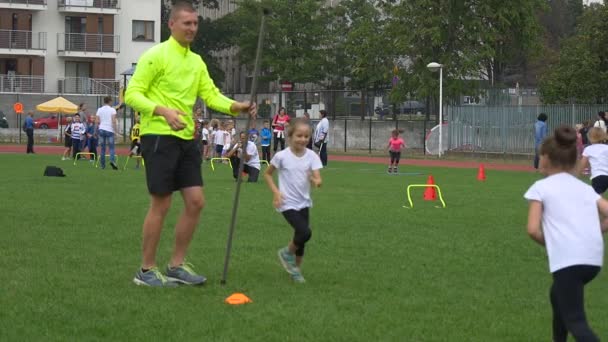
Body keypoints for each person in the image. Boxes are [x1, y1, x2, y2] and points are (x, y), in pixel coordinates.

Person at [124, 1, 256, 287]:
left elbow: (211, 96)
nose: (192, 28)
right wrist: (163, 111)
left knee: (196, 202)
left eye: (195, 24)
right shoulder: (155, 55)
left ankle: (176, 266)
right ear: (171, 24)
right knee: (162, 203)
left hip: (187, 140)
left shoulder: (196, 62)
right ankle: (146, 271)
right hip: (158, 137)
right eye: (187, 23)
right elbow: (132, 94)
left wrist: (238, 106)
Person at [524, 125, 608, 342]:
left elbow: (532, 229)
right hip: (592, 260)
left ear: (546, 159)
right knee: (557, 295)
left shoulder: (540, 188)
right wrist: (595, 231)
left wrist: (552, 243)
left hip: (570, 260)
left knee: (577, 324)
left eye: (540, 156)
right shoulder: (585, 188)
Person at [264, 118, 323, 283]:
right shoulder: (281, 156)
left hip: (304, 202)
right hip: (287, 203)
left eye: (306, 136)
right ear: (289, 136)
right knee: (305, 232)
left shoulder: (312, 156)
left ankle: (295, 270)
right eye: (299, 136)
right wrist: (276, 193)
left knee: (301, 238)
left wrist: (316, 181)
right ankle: (286, 253)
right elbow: (267, 174)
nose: (303, 139)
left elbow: (317, 176)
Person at [577, 127, 608, 195]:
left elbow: (582, 164)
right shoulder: (607, 148)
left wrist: (576, 174)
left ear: (589, 137)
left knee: (595, 199)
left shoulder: (588, 149)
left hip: (599, 177)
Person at [96, 96, 118, 170]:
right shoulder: (112, 110)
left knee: (102, 149)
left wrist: (96, 130)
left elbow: (97, 121)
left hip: (101, 129)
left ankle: (102, 165)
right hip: (109, 129)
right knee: (111, 148)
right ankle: (112, 161)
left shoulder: (99, 109)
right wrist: (115, 131)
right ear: (110, 101)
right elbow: (113, 121)